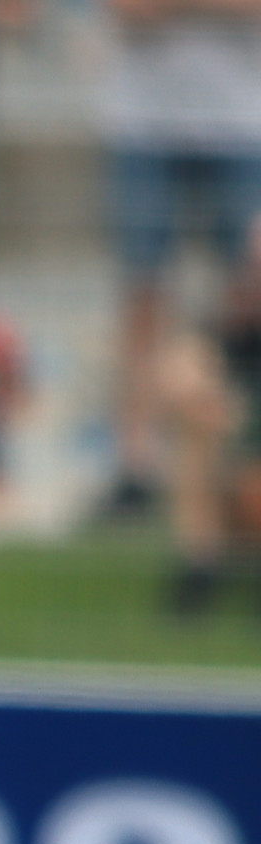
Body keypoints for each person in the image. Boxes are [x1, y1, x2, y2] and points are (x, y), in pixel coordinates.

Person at [95, 0, 261, 525]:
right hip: (144, 125)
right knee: (141, 296)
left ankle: (240, 462)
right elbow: (127, 11)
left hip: (241, 123)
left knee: (248, 298)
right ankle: (136, 468)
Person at [155, 212, 261, 606]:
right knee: (194, 420)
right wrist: (210, 405)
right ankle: (200, 566)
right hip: (233, 482)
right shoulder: (226, 332)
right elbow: (175, 376)